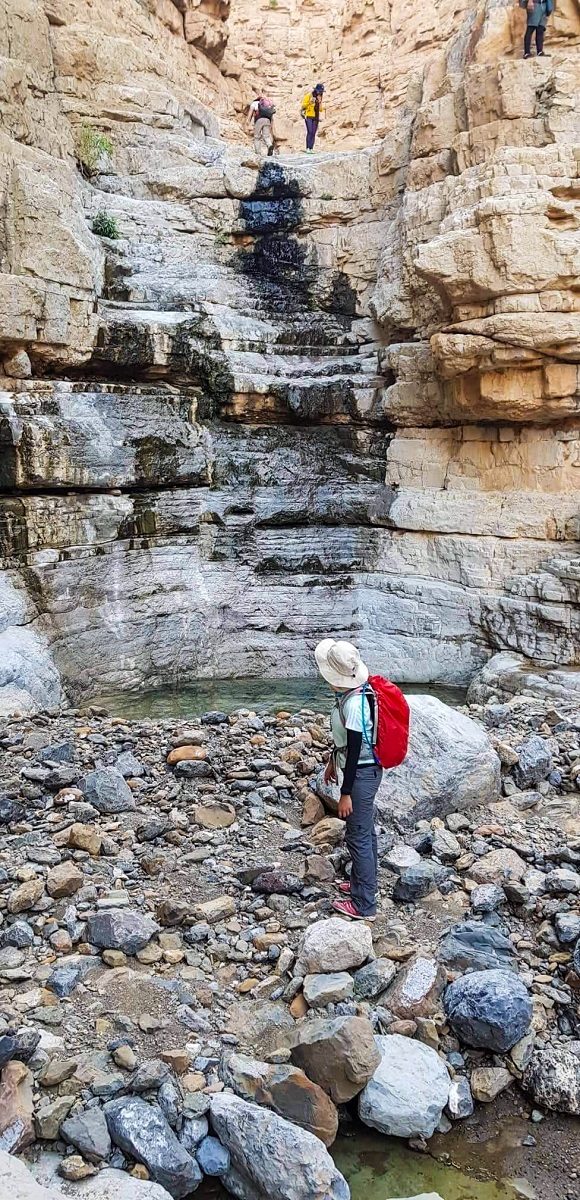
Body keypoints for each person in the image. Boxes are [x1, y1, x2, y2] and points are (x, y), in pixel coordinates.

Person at [314, 638, 383, 922]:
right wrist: (333, 762)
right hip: (364, 771)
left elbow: (355, 751)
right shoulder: (352, 694)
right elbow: (347, 745)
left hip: (362, 775)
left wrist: (345, 793)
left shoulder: (354, 703)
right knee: (364, 832)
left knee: (358, 836)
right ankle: (363, 884)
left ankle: (364, 905)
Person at [300, 84, 325, 153]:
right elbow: (303, 106)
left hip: (316, 117)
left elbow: (321, 110)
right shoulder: (309, 95)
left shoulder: (319, 97)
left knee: (313, 133)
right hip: (308, 116)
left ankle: (311, 148)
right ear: (316, 90)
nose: (320, 92)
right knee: (310, 131)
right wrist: (309, 103)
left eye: (321, 91)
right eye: (319, 91)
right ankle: (307, 148)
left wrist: (320, 102)